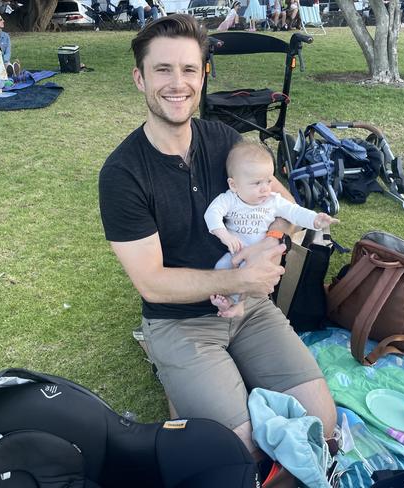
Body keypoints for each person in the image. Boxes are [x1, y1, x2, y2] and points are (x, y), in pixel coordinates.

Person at [98, 14, 336, 463]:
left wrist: (270, 239)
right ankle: (171, 368)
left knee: (319, 430)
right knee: (239, 453)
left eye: (189, 69)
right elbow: (152, 282)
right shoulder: (122, 174)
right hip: (180, 322)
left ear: (203, 76)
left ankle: (207, 385)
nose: (177, 83)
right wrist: (241, 281)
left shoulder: (223, 139)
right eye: (162, 70)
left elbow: (282, 201)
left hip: (251, 311)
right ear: (139, 78)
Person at [204, 141, 339, 318]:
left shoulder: (273, 201)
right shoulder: (229, 199)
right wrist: (225, 236)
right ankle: (226, 299)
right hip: (236, 250)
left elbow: (293, 211)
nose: (265, 188)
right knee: (220, 267)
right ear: (234, 185)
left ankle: (240, 304)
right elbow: (211, 214)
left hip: (262, 253)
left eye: (268, 180)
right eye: (257, 183)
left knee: (252, 275)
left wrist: (314, 219)